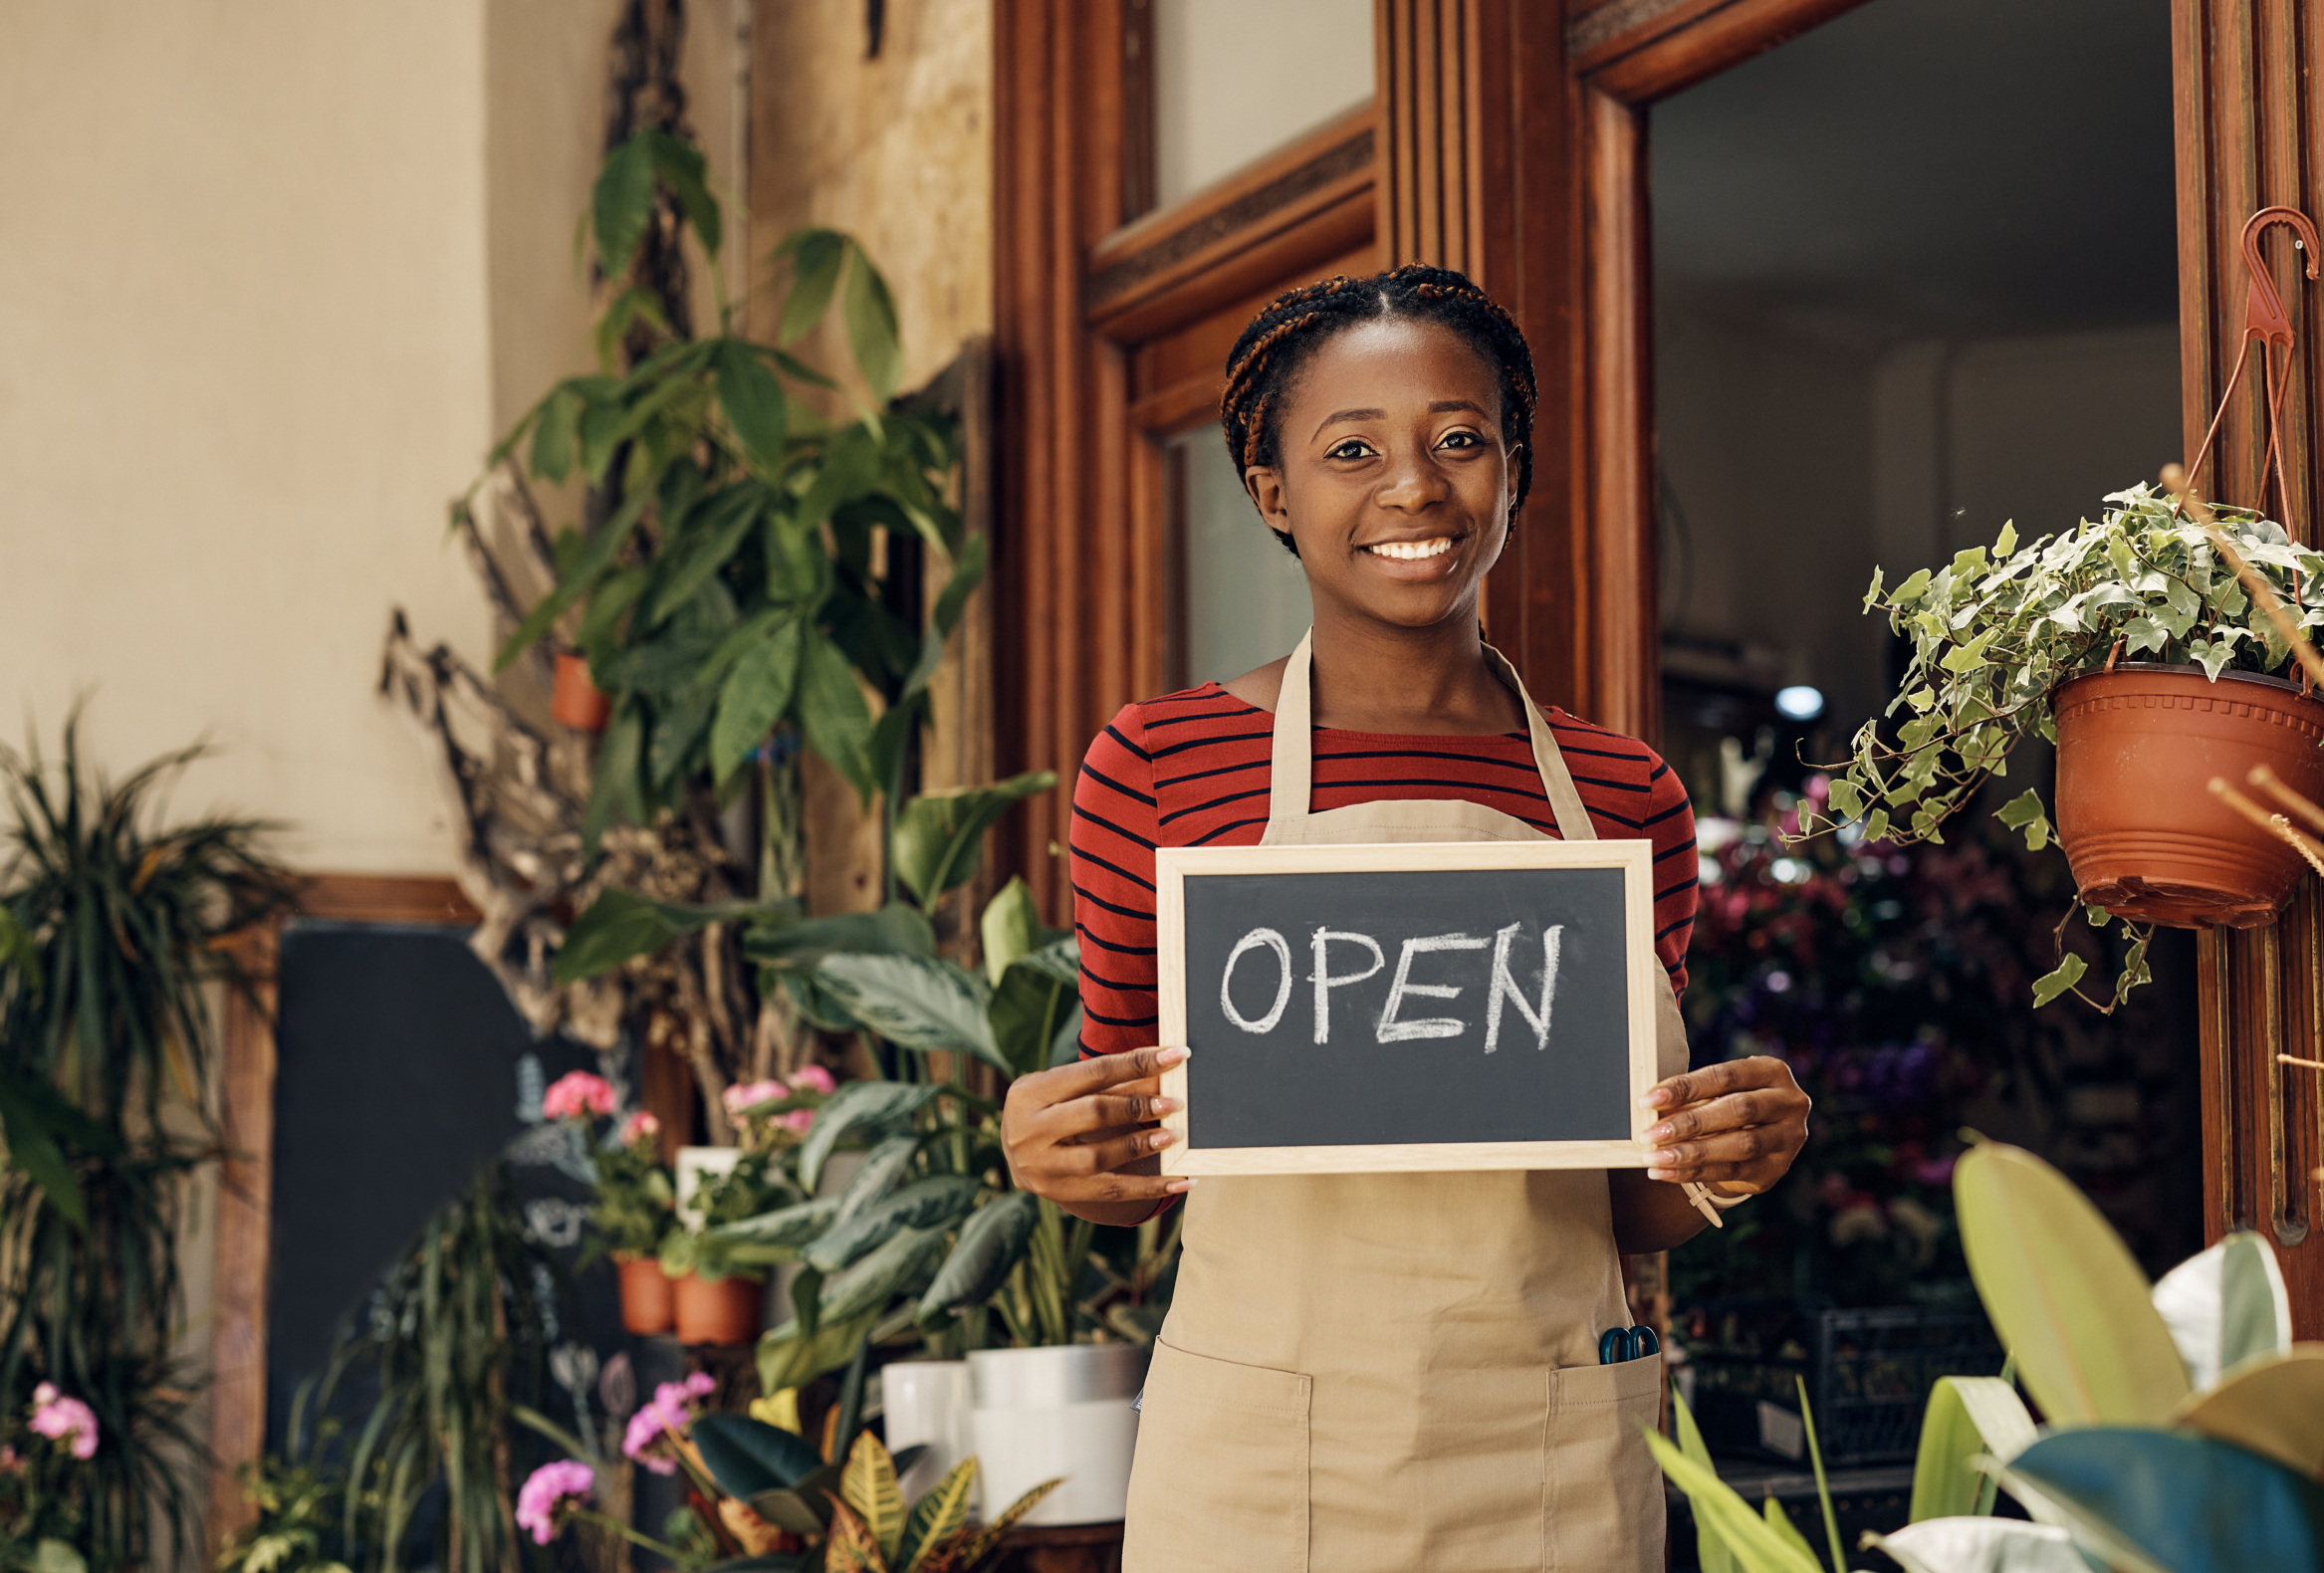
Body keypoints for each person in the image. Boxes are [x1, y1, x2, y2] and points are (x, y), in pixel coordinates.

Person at [999, 265, 1811, 1572]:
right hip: (1263, 1451)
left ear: (1514, 469)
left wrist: (1722, 1156)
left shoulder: (1621, 793)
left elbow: (1622, 1191)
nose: (1415, 488)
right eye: (1350, 449)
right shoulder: (1156, 764)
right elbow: (1132, 1178)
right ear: (1274, 494)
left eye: (1458, 440)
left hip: (1551, 1441)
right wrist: (1050, 1143)